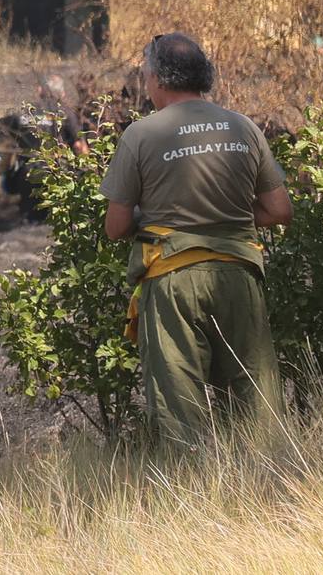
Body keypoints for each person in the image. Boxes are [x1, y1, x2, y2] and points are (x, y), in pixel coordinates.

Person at [100, 33, 291, 447]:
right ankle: (271, 488)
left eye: (146, 74)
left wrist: (154, 215)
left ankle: (192, 496)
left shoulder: (141, 134)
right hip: (239, 275)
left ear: (158, 79)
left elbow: (115, 227)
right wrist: (229, 218)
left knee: (179, 404)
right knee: (255, 395)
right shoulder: (243, 127)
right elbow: (279, 211)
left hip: (174, 281)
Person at [38, 74, 89, 155]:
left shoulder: (31, 109)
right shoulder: (66, 112)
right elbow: (79, 145)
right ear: (62, 93)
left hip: (30, 161)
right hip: (56, 162)